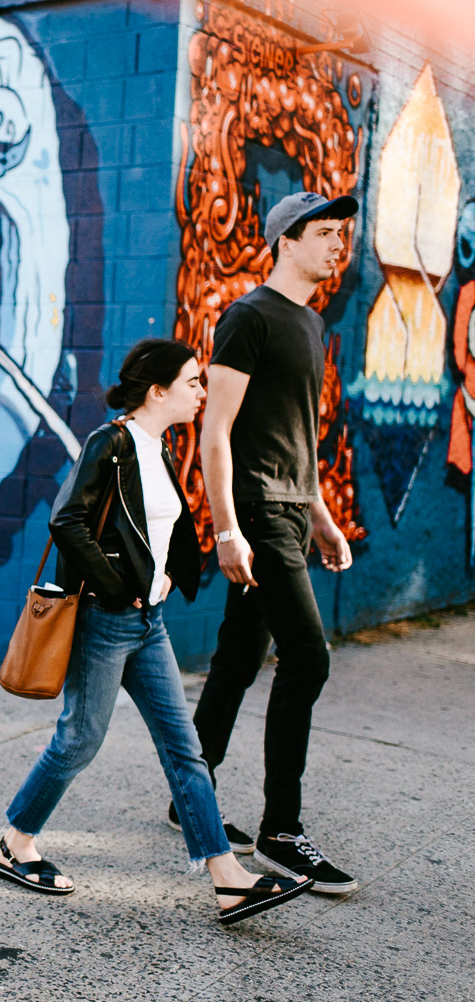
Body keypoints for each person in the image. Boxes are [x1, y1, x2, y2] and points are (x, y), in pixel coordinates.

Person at [0, 339, 314, 926]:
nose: (200, 392)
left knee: (185, 751)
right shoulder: (110, 444)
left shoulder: (159, 446)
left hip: (150, 622)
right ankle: (15, 842)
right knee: (79, 740)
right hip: (107, 621)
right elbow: (66, 520)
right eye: (192, 382)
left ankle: (228, 880)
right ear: (157, 390)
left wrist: (159, 584)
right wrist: (116, 585)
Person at [178, 191, 360, 895]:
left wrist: (321, 514)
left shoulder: (311, 324)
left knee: (239, 657)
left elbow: (300, 438)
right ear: (286, 240)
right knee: (307, 657)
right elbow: (216, 431)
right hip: (254, 510)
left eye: (341, 235)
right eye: (323, 234)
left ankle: (187, 793)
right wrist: (226, 527)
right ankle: (282, 832)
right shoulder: (248, 317)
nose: (337, 246)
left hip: (290, 506)